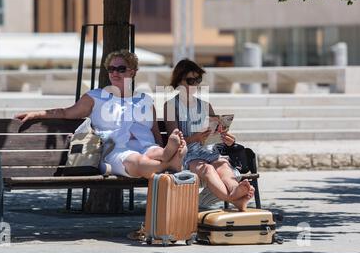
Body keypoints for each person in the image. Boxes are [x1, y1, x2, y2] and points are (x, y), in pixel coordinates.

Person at [15, 50, 187, 179]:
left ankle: (166, 157)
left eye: (121, 68)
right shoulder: (95, 97)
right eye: (111, 69)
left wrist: (160, 146)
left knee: (154, 151)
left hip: (147, 146)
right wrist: (37, 114)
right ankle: (170, 162)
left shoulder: (144, 100)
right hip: (116, 150)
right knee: (137, 162)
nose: (114, 73)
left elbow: (155, 133)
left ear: (132, 72)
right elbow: (66, 112)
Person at [164, 59, 255, 211]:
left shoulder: (206, 106)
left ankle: (235, 192)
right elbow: (173, 141)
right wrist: (196, 138)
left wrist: (226, 138)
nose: (195, 84)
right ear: (179, 80)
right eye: (190, 80)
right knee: (208, 170)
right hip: (187, 155)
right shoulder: (171, 106)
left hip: (210, 151)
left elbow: (216, 131)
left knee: (224, 167)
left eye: (197, 80)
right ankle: (234, 197)